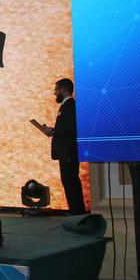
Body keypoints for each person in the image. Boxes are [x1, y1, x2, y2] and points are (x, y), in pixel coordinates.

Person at [30, 78, 86, 214]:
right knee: (68, 181)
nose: (55, 93)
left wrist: (54, 131)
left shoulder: (70, 106)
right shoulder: (65, 106)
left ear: (64, 90)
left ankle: (77, 211)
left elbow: (71, 128)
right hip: (65, 152)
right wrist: (53, 130)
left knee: (71, 181)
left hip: (69, 151)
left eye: (56, 90)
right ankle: (75, 210)